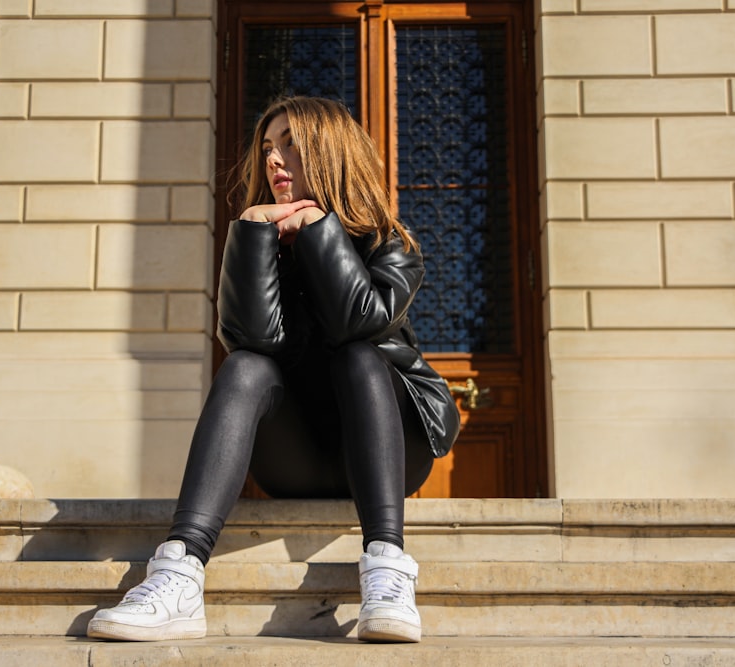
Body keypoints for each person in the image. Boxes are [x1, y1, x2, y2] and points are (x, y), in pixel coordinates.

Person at [87, 96, 460, 644]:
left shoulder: (390, 245)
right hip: (295, 458)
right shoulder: (257, 236)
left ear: (329, 154)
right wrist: (252, 235)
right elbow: (251, 340)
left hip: (391, 452)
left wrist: (317, 230)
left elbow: (359, 323)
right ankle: (178, 573)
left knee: (360, 356)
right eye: (267, 146)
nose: (274, 159)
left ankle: (387, 570)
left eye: (290, 144)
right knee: (245, 369)